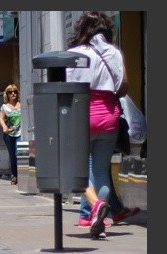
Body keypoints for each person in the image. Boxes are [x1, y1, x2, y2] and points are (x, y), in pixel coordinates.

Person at [66, 11, 128, 239]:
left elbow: (66, 87)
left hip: (82, 112)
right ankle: (99, 218)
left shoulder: (73, 54)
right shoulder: (114, 53)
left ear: (82, 28)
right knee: (102, 170)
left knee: (78, 169)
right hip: (109, 115)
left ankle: (95, 207)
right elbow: (123, 87)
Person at [0, 84, 22, 185]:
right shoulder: (4, 107)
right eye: (10, 92)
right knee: (12, 156)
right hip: (9, 135)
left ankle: (21, 175)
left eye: (15, 92)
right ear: (7, 94)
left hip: (20, 133)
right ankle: (14, 175)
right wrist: (4, 127)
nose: (13, 94)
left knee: (18, 154)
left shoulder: (21, 105)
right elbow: (1, 118)